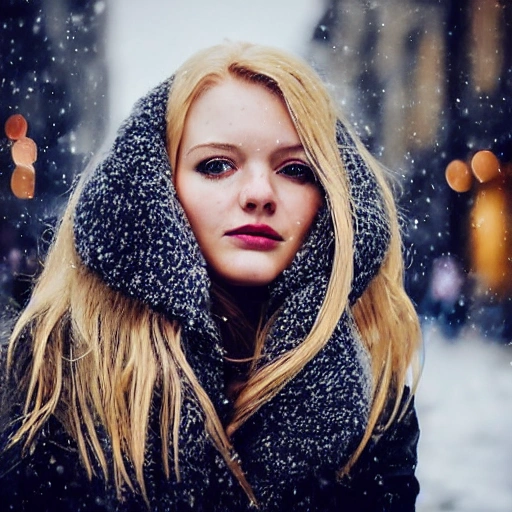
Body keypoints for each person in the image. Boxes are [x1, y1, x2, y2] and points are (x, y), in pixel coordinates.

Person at [0, 41, 422, 511]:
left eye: (295, 169)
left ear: (330, 199)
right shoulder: (49, 375)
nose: (259, 193)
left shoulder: (373, 406)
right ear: (157, 188)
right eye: (217, 165)